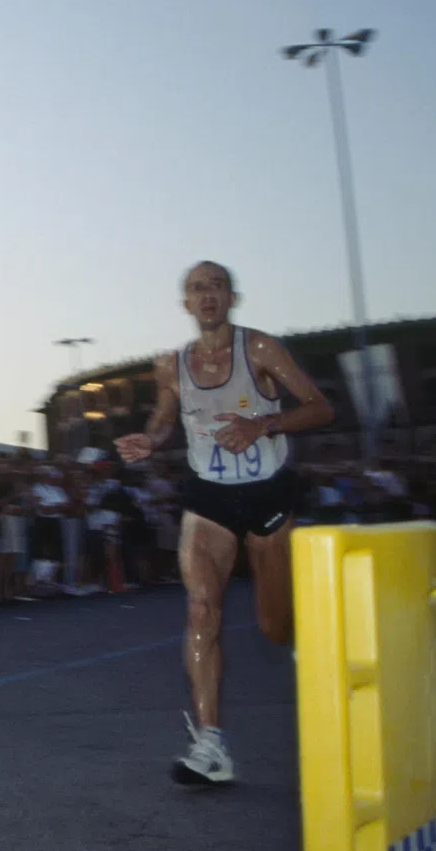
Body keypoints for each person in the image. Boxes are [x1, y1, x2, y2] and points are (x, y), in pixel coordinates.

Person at [116, 261, 335, 785]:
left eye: (216, 286)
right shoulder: (170, 365)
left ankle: (318, 647)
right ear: (185, 304)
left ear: (232, 298)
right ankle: (211, 744)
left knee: (274, 626)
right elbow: (167, 416)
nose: (207, 295)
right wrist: (151, 439)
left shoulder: (259, 349)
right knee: (200, 608)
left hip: (267, 495)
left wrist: (264, 423)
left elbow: (320, 407)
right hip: (209, 497)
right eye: (196, 288)